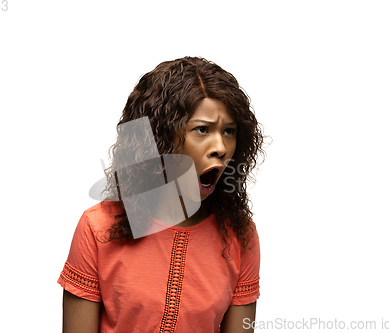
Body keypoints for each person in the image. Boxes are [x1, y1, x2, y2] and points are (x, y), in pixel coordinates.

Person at [58, 56, 266, 333]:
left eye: (229, 131)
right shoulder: (98, 227)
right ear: (159, 138)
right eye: (202, 129)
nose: (220, 147)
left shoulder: (240, 235)